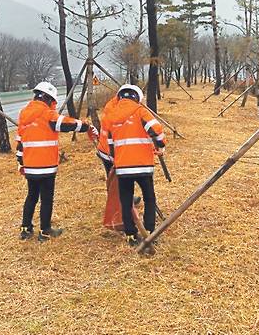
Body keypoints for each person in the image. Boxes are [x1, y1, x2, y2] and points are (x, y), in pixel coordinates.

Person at [16, 81, 97, 242]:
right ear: (47, 98)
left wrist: (20, 162)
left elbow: (19, 140)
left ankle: (25, 229)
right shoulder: (47, 114)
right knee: (46, 198)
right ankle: (45, 231)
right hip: (46, 166)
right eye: (52, 101)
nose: (53, 105)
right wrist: (86, 126)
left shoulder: (24, 114)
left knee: (31, 196)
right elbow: (67, 124)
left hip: (30, 166)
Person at [101, 84, 166, 247]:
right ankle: (150, 232)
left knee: (126, 201)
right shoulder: (140, 111)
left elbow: (110, 144)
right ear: (137, 98)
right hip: (144, 166)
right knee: (149, 198)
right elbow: (156, 129)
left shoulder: (111, 116)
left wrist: (118, 159)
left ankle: (130, 235)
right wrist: (161, 145)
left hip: (123, 168)